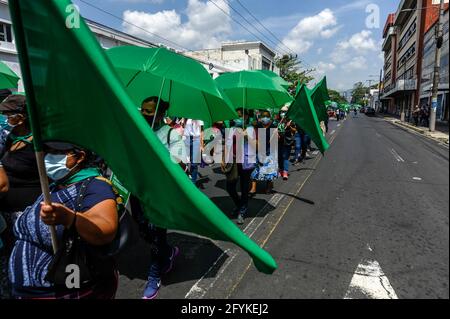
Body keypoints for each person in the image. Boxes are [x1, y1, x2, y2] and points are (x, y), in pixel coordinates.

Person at [8, 142, 119, 299]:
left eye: (56, 152)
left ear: (80, 157)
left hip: (68, 290)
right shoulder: (56, 185)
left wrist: (69, 218)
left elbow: (105, 230)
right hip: (27, 291)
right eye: (47, 150)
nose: (48, 156)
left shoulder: (96, 186)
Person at [129, 96, 180, 300]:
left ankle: (154, 276)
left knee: (157, 235)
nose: (145, 115)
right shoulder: (138, 130)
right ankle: (169, 251)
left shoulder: (171, 134)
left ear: (161, 114)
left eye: (149, 112)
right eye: (143, 110)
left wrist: (158, 156)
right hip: (138, 191)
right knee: (142, 229)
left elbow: (180, 164)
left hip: (160, 194)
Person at [0, 95, 41, 299]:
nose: (5, 117)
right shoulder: (11, 136)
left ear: (22, 116)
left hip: (26, 211)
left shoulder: (40, 141)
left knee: (25, 255)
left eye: (8, 114)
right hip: (7, 211)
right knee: (9, 252)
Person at [223, 108, 256, 225]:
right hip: (233, 162)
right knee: (230, 187)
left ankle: (242, 212)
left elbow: (257, 145)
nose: (237, 118)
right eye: (236, 116)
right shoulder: (231, 129)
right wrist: (224, 159)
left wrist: (247, 136)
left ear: (246, 117)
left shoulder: (250, 129)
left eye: (240, 116)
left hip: (246, 162)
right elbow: (227, 144)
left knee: (244, 188)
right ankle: (239, 205)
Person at [250, 111, 278, 193]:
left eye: (267, 116)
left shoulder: (274, 127)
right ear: (261, 118)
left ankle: (268, 187)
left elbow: (277, 140)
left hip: (270, 151)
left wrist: (276, 136)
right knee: (255, 169)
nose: (265, 118)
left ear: (269, 118)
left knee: (269, 170)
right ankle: (253, 188)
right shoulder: (257, 126)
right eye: (263, 116)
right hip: (258, 150)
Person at [183, 119, 204, 186]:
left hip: (196, 139)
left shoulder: (199, 118)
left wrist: (201, 144)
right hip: (186, 138)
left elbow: (202, 132)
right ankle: (184, 181)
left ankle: (193, 183)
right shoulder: (186, 116)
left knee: (194, 163)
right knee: (184, 161)